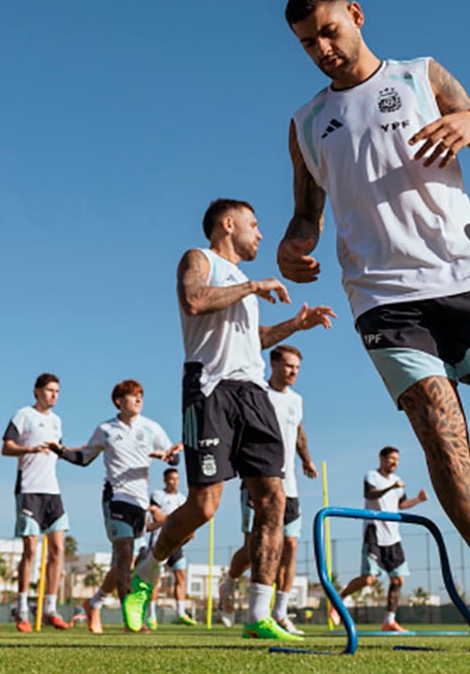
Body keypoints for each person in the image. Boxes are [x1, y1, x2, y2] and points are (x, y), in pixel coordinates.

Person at [277, 0, 470, 654]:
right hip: (383, 298)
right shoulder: (306, 124)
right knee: (442, 438)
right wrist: (292, 247)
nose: (322, 49)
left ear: (356, 15)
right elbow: (305, 215)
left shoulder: (420, 76)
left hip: (467, 278)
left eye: (329, 31)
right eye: (307, 43)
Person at [122, 198, 333, 641]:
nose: (260, 233)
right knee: (204, 506)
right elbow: (195, 300)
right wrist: (253, 287)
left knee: (273, 499)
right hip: (209, 390)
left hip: (252, 393)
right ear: (228, 224)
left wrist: (295, 325)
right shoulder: (199, 259)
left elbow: (252, 340)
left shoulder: (243, 287)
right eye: (253, 224)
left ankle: (258, 613)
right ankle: (147, 570)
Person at [219, 344, 319, 634]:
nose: (293, 372)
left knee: (290, 546)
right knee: (255, 548)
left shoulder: (297, 400)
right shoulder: (257, 394)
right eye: (289, 366)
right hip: (259, 480)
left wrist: (307, 460)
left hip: (290, 485)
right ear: (273, 364)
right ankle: (230, 582)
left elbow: (299, 433)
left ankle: (279, 613)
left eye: (297, 368)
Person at [67, 380, 180, 633]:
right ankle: (130, 622)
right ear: (119, 401)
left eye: (141, 395)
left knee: (133, 563)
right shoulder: (106, 429)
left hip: (140, 503)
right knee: (124, 551)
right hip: (116, 498)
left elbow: (174, 457)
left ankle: (94, 602)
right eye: (133, 396)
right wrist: (60, 451)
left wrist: (169, 456)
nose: (139, 400)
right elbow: (83, 458)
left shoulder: (151, 427)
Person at [2, 373, 80, 631]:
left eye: (57, 391)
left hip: (53, 492)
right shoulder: (23, 415)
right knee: (31, 551)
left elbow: (59, 451)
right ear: (37, 391)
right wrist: (30, 449)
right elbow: (6, 447)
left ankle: (50, 608)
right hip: (29, 490)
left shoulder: (57, 421)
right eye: (49, 390)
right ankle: (22, 608)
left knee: (58, 550)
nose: (54, 395)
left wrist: (74, 450)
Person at [333, 447, 428, 632]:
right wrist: (391, 487)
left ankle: (389, 621)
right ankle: (339, 599)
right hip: (374, 532)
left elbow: (401, 504)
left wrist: (418, 499)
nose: (394, 462)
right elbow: (370, 494)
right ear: (382, 459)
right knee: (368, 579)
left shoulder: (397, 480)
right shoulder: (372, 476)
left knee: (398, 579)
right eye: (391, 458)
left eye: (397, 459)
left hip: (393, 536)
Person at [147, 468, 192, 624]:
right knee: (156, 579)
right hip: (159, 542)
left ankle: (181, 613)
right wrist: (176, 519)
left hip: (177, 544)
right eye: (171, 479)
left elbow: (187, 521)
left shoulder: (182, 499)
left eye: (177, 479)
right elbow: (157, 517)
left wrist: (171, 519)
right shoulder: (157, 495)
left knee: (181, 576)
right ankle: (151, 615)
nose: (174, 482)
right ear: (165, 480)